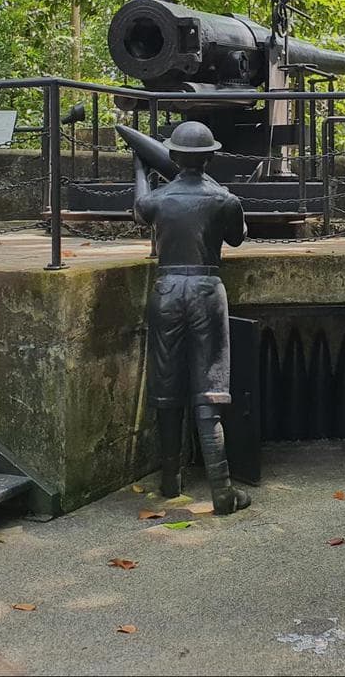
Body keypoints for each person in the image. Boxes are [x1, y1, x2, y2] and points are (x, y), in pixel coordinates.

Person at [131, 120, 251, 515]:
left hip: (166, 292)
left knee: (166, 387)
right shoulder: (224, 200)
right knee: (210, 389)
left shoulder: (160, 198)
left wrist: (138, 170)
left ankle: (170, 479)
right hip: (205, 290)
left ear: (173, 156)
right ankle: (222, 489)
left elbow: (139, 209)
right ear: (210, 157)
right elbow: (237, 237)